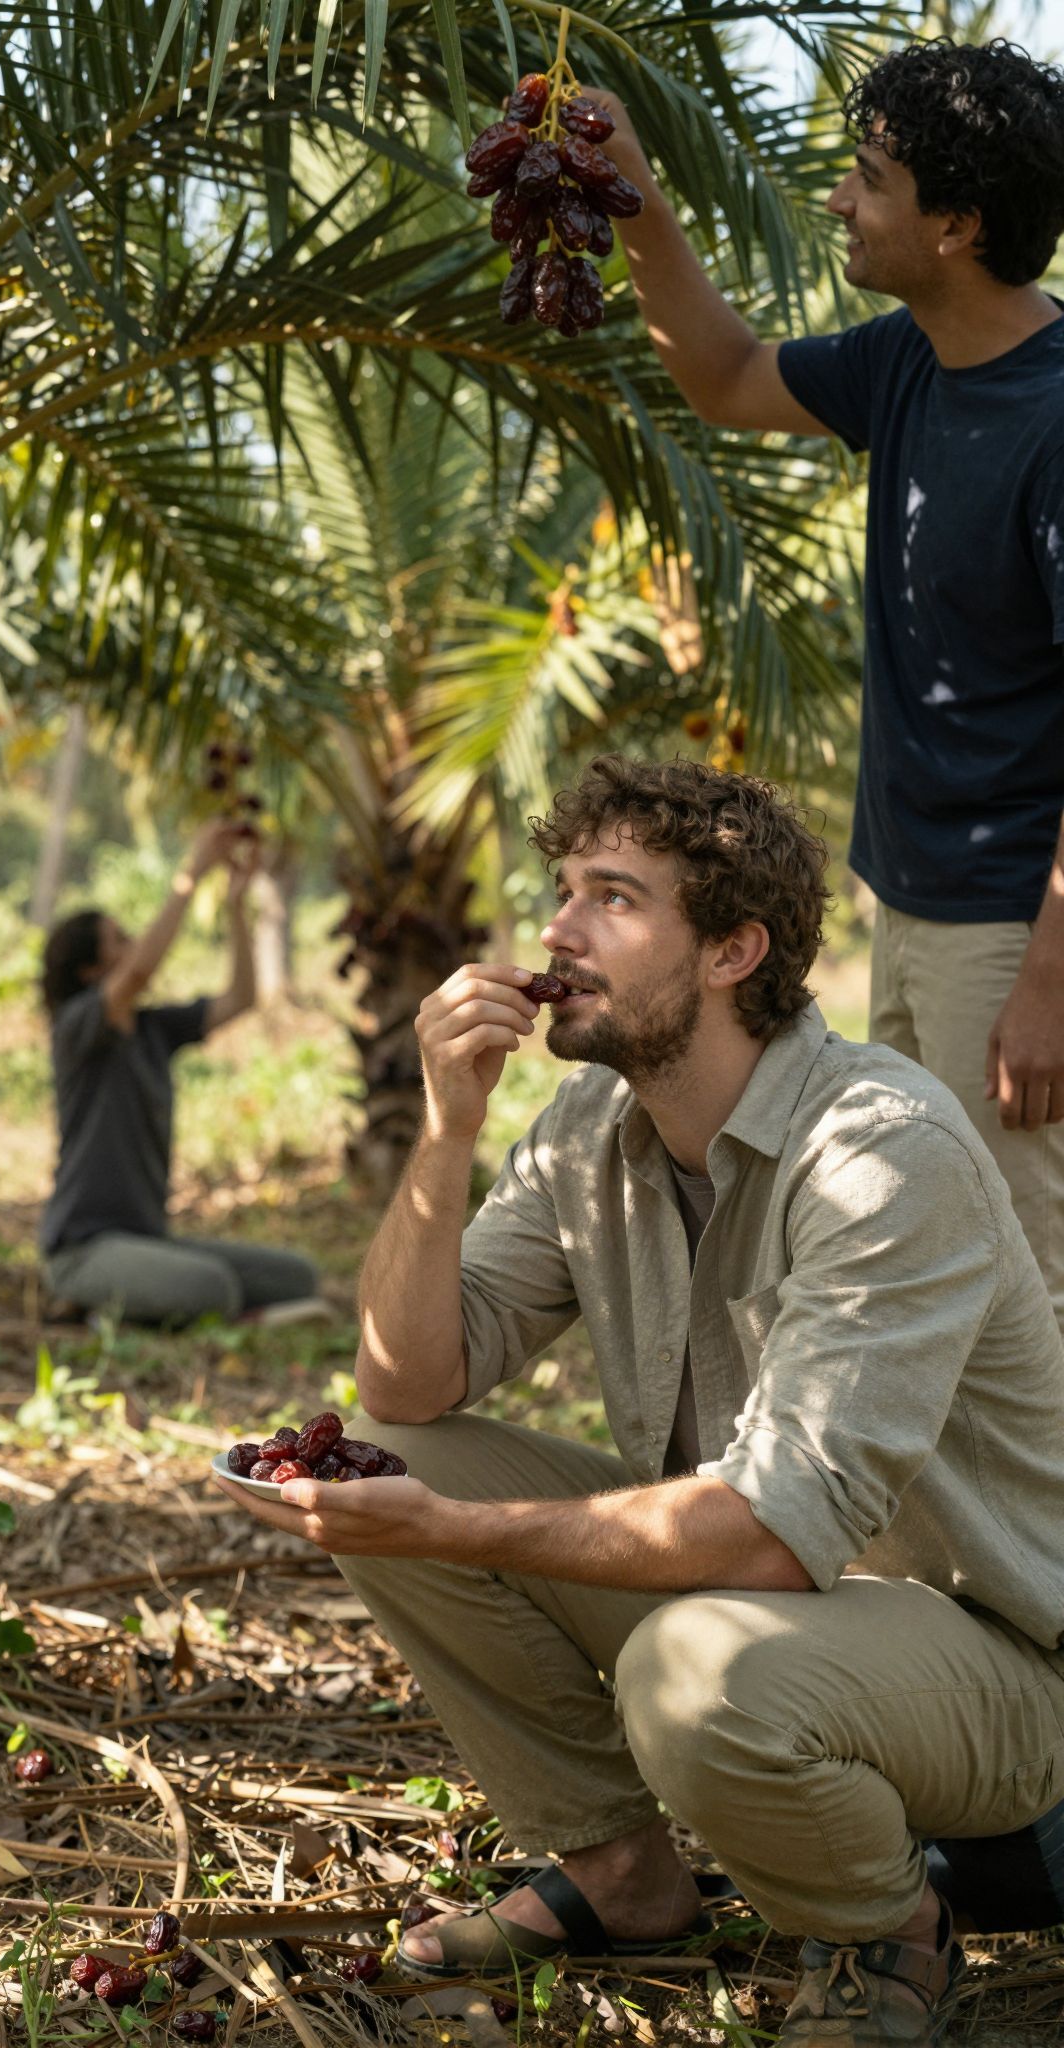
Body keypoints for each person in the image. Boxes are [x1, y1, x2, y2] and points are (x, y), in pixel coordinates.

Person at [215, 755, 1064, 2048]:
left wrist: (447, 1531)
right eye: (562, 891)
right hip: (782, 1616)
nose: (556, 931)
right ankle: (622, 1871)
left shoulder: (883, 1149)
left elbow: (776, 1535)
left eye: (613, 897)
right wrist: (444, 1134)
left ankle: (886, 1939)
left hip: (1000, 1671)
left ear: (733, 950)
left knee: (688, 1670)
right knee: (391, 1456)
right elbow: (407, 1382)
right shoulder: (584, 1130)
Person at [583, 38, 1064, 1336]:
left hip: (1014, 927)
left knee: (1020, 1287)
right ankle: (931, 1550)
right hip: (913, 905)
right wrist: (630, 187)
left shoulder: (1056, 418)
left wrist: (1051, 979)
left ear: (957, 226)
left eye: (872, 180)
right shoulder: (908, 359)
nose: (841, 201)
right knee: (916, 1262)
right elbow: (726, 377)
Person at [40, 818, 322, 1325]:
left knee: (297, 1277)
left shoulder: (153, 1030)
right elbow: (141, 971)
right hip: (83, 1249)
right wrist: (192, 873)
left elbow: (241, 998)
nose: (133, 947)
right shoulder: (77, 1028)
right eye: (118, 941)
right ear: (90, 972)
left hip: (146, 1240)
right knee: (209, 1287)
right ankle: (106, 1307)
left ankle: (137, 1306)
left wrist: (235, 906)